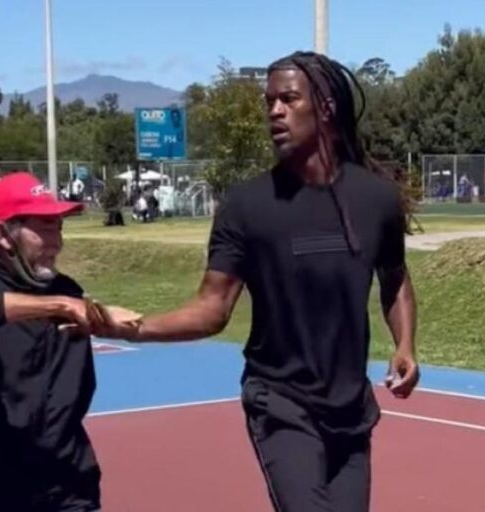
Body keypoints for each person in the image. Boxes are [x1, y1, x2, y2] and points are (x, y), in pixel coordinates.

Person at [115, 51, 420, 511]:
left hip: (351, 408)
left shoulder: (375, 199)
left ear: (326, 108)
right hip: (280, 400)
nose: (275, 111)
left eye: (289, 99)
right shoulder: (247, 206)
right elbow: (212, 308)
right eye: (269, 102)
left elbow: (394, 278)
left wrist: (405, 345)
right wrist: (130, 327)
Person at [0, 172, 139, 511]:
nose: (56, 242)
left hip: (64, 485)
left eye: (59, 228)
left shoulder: (68, 289)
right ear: (3, 235)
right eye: (44, 229)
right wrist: (61, 307)